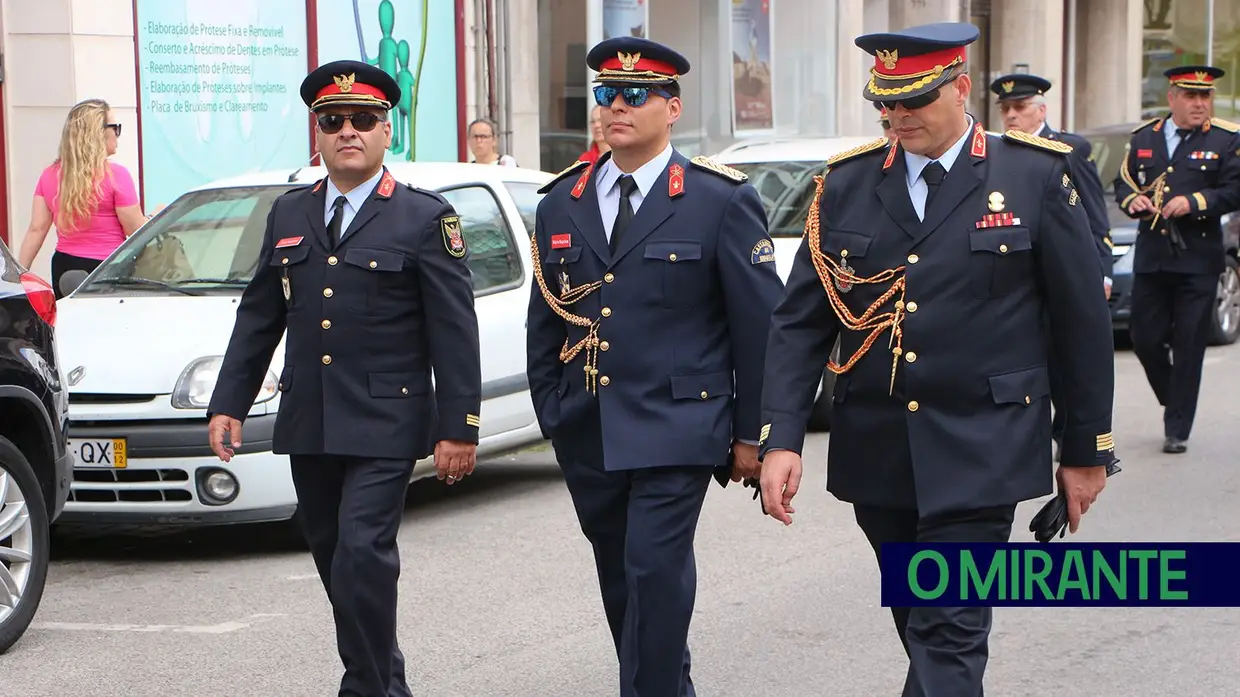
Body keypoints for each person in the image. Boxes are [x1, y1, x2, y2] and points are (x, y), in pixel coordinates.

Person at [757, 23, 1116, 696]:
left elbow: (1081, 324)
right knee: (925, 631)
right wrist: (780, 436)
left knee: (947, 636)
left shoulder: (1033, 175)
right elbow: (801, 322)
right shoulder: (846, 186)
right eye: (884, 103)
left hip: (984, 446)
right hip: (880, 454)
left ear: (959, 87)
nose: (896, 116)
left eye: (912, 100)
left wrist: (1086, 449)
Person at [205, 60, 482, 697]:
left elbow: (453, 330)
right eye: (333, 121)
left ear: (389, 132)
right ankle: (385, 682)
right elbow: (260, 314)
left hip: (388, 419)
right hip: (312, 418)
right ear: (318, 133)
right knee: (334, 560)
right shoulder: (289, 213)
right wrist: (230, 402)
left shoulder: (422, 218)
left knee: (363, 552)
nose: (348, 131)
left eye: (364, 120)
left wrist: (458, 425)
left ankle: (363, 687)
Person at [526, 36, 783, 697]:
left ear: (672, 107)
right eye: (606, 94)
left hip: (679, 424)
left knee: (654, 570)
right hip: (589, 424)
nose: (616, 107)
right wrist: (552, 410)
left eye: (634, 95)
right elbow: (546, 317)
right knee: (620, 577)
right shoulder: (561, 202)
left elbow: (760, 327)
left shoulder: (716, 200)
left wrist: (755, 433)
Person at [1113, 65, 1240, 454]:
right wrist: (1131, 200)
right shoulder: (1145, 138)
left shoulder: (1225, 139)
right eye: (1191, 96)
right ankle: (1174, 395)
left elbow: (1234, 190)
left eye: (1205, 96)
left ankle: (1177, 427)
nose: (1200, 103)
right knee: (1145, 339)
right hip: (1153, 256)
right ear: (1172, 98)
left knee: (1188, 344)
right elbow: (1123, 181)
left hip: (1198, 260)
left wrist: (1195, 202)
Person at [990, 72, 1115, 461]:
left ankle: (1071, 435)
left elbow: (1092, 216)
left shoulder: (1067, 149)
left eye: (1020, 107)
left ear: (1041, 109)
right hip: (1021, 270)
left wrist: (1102, 271)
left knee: (1064, 358)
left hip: (1063, 271)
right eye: (1005, 109)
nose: (1011, 115)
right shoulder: (1001, 151)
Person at [18, 98, 148, 296]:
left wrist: (19, 275)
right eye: (115, 128)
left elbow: (37, 229)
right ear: (100, 132)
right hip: (107, 268)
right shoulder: (116, 175)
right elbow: (135, 229)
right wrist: (154, 219)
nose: (118, 135)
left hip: (64, 266)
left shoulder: (49, 175)